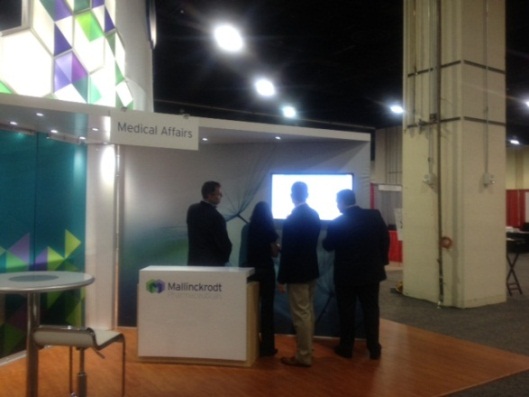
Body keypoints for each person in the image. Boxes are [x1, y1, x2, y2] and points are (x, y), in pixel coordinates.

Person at [322, 189, 389, 360]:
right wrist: (382, 261)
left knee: (346, 312)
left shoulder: (337, 223)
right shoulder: (374, 216)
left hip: (346, 276)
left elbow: (328, 246)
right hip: (371, 273)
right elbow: (385, 239)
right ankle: (374, 348)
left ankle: (346, 347)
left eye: (337, 202)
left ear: (341, 202)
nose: (337, 205)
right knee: (371, 310)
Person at [277, 181, 321, 367]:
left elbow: (289, 252)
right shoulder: (314, 215)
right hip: (311, 270)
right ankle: (307, 349)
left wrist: (281, 279)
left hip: (296, 274)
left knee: (300, 315)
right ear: (307, 194)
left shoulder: (292, 219)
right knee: (308, 312)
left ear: (292, 195)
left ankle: (303, 356)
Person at [244, 201, 280, 357]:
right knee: (267, 310)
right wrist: (277, 247)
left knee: (251, 309)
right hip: (267, 271)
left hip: (252, 271)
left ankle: (251, 344)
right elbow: (274, 253)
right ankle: (267, 347)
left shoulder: (248, 229)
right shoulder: (270, 231)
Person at [186, 181, 232, 266]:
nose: (221, 196)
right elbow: (224, 243)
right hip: (213, 264)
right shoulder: (216, 216)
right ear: (209, 195)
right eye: (218, 194)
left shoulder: (192, 210)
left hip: (194, 262)